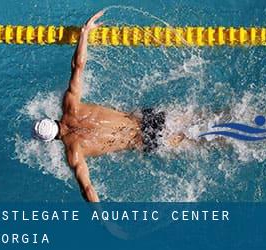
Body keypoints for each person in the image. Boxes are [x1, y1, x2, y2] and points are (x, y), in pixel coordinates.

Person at [33, 11, 185, 202]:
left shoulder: (74, 152)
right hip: (147, 118)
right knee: (201, 118)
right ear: (51, 119)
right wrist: (84, 33)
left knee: (203, 141)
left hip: (146, 140)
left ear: (51, 140)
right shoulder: (70, 105)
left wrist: (105, 222)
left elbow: (87, 189)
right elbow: (78, 66)